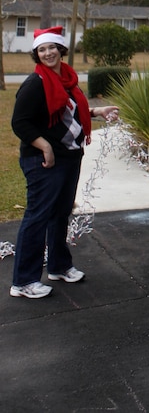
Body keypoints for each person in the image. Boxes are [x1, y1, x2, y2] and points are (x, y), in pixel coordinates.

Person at [10, 26, 117, 299]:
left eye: (52, 48)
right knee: (37, 217)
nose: (48, 53)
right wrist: (44, 146)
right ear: (37, 54)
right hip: (43, 162)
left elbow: (70, 112)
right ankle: (23, 282)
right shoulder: (35, 84)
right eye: (42, 50)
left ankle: (59, 265)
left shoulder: (67, 79)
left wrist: (96, 112)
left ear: (61, 50)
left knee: (60, 214)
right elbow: (20, 123)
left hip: (69, 157)